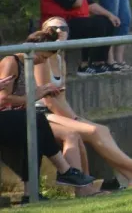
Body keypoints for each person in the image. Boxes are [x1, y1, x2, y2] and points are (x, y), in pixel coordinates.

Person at [37, 17, 132, 187]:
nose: (58, 31)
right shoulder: (40, 59)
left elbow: (61, 97)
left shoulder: (59, 58)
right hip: (41, 113)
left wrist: (74, 117)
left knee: (103, 130)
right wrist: (75, 120)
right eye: (52, 28)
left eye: (63, 27)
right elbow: (48, 101)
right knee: (93, 130)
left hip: (56, 113)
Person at [0, 29, 95, 204]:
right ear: (33, 49)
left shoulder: (27, 64)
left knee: (34, 129)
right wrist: (34, 96)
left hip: (16, 118)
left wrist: (41, 92)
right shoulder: (10, 61)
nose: (41, 62)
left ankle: (31, 194)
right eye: (43, 57)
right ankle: (65, 171)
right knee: (36, 120)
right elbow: (3, 100)